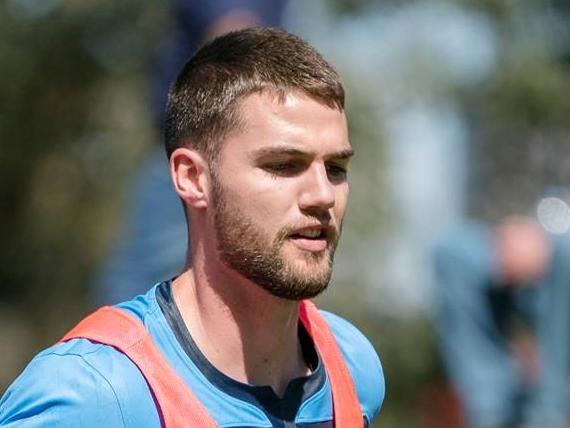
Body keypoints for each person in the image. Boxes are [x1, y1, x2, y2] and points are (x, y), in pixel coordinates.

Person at [0, 28, 385, 427]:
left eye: (336, 168)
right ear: (192, 178)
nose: (323, 195)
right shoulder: (94, 393)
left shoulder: (352, 366)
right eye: (283, 165)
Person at [95, 0, 289, 304]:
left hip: (210, 144)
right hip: (208, 145)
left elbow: (233, 35)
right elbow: (233, 34)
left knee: (142, 276)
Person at [433, 216, 570, 428]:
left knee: (566, 252)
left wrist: (554, 229)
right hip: (522, 223)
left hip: (558, 233)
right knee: (452, 253)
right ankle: (492, 414)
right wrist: (514, 227)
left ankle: (548, 414)